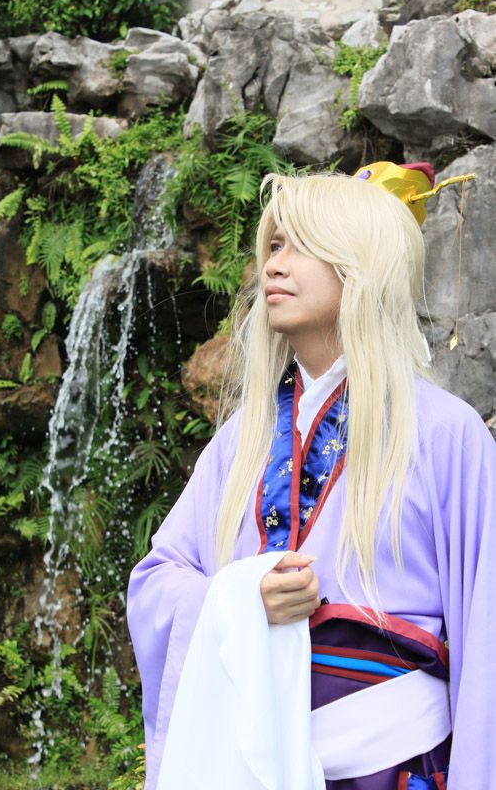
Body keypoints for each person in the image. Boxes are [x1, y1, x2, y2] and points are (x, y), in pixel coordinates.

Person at [127, 162, 496, 790]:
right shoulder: (242, 439)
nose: (274, 265)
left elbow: (486, 636)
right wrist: (244, 598)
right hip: (252, 764)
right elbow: (157, 580)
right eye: (273, 246)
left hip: (397, 769)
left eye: (301, 245)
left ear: (361, 265)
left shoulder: (445, 435)